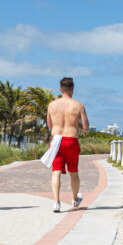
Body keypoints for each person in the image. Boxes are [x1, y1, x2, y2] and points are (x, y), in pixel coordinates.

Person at [47, 77, 89, 212]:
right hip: (71, 140)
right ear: (73, 89)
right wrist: (76, 125)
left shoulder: (52, 105)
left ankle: (56, 203)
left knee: (56, 172)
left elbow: (50, 125)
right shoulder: (78, 105)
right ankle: (75, 199)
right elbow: (86, 127)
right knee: (73, 172)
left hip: (56, 140)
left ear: (60, 89)